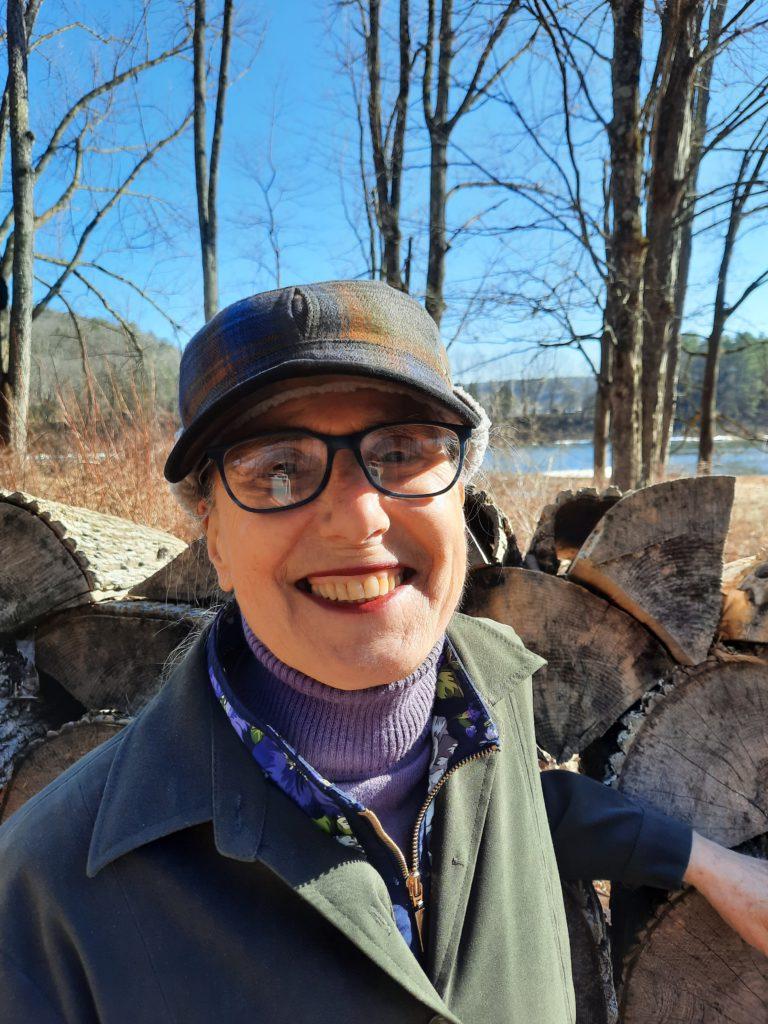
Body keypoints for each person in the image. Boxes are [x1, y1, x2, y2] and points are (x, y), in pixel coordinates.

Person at [0, 280, 766, 1024]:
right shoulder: (47, 895)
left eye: (402, 451)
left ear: (459, 491)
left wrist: (708, 863)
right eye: (277, 468)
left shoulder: (490, 685)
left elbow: (516, 812)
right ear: (216, 537)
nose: (359, 517)